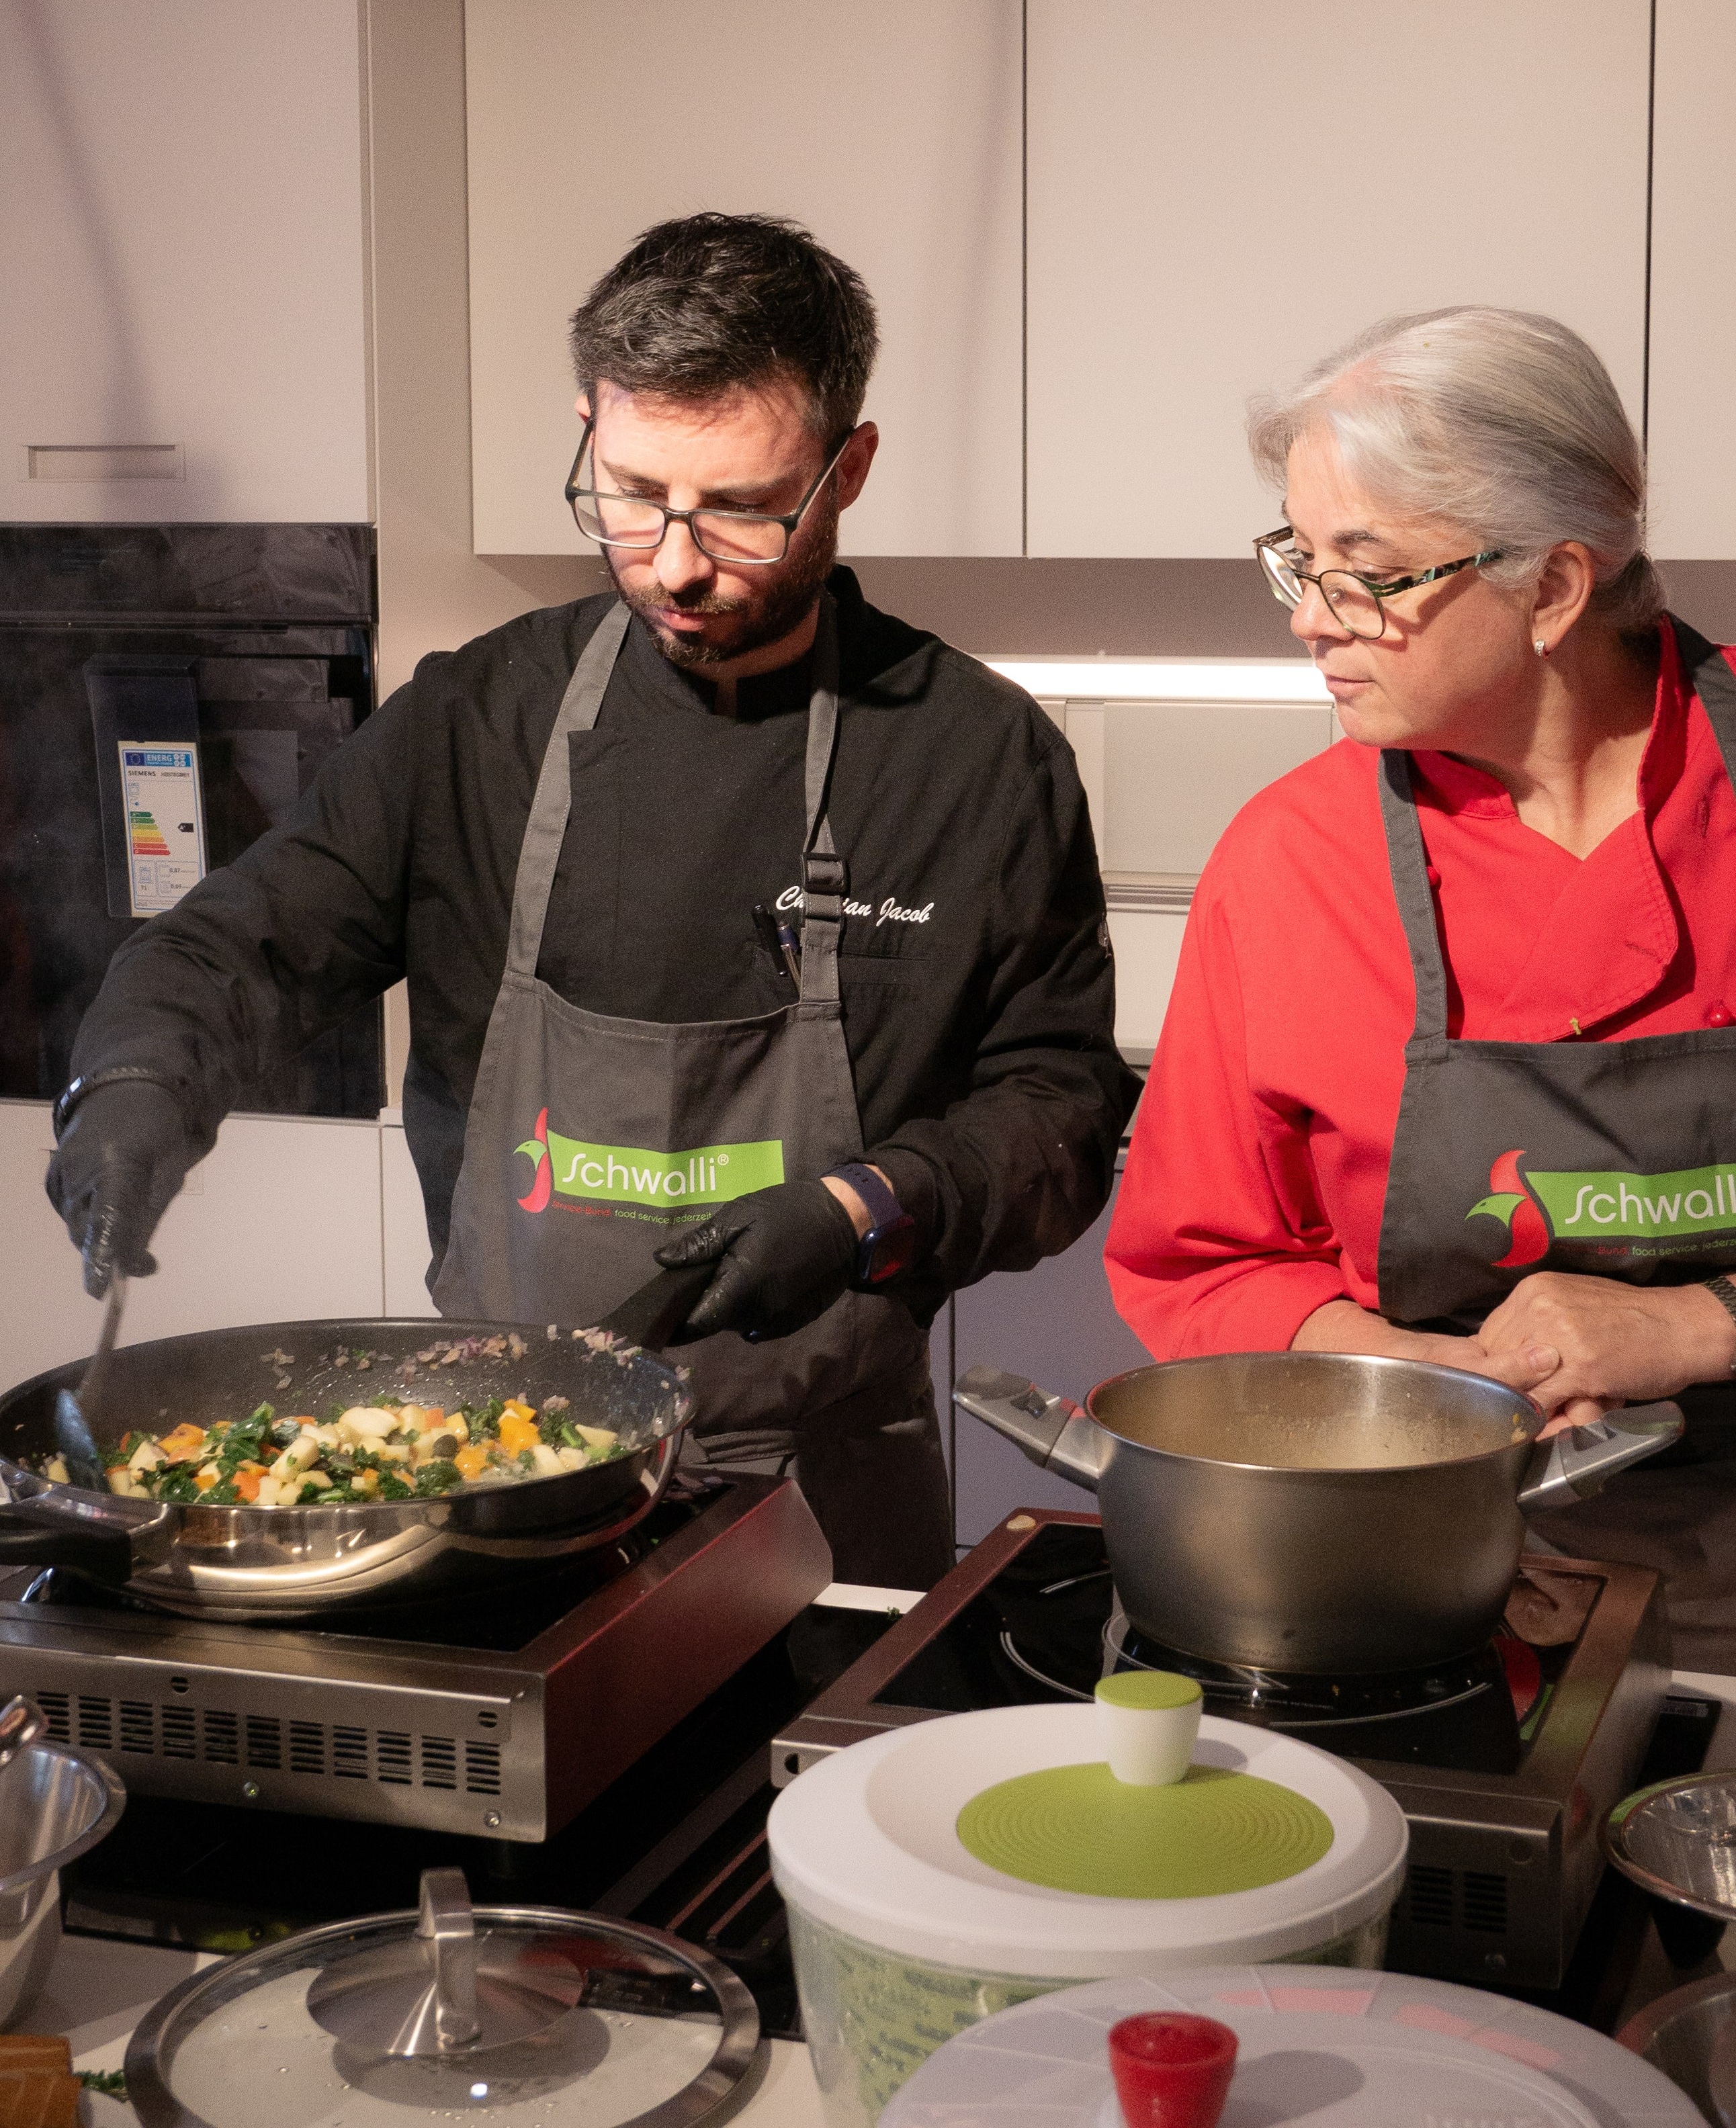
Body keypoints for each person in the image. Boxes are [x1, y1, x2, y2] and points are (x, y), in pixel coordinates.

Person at [47, 212, 1136, 1591]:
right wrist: (137, 1072)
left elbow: (1059, 1106)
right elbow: (237, 940)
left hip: (823, 1495)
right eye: (629, 492)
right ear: (587, 427)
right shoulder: (473, 720)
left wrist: (870, 1202)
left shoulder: (974, 756)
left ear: (847, 469)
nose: (675, 562)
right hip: (491, 1480)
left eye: (741, 505)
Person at [1106, 305, 1736, 1668]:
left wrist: (1691, 1323)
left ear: (1553, 587)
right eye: (1295, 557)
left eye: (1364, 573)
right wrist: (1422, 1378)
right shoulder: (1287, 867)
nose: (1303, 618)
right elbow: (1199, 1259)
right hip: (1430, 1569)